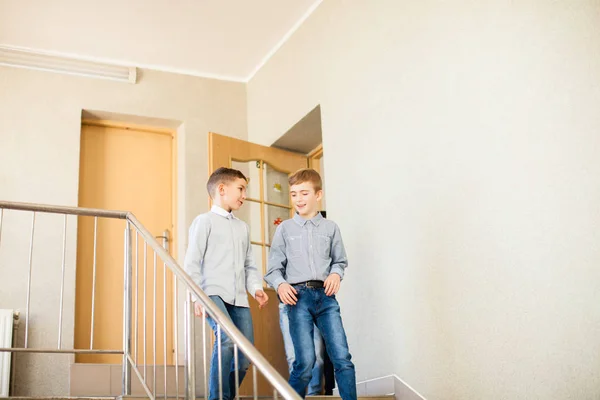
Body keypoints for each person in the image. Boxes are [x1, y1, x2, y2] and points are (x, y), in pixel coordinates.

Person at [264, 168, 356, 400]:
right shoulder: (284, 229)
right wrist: (281, 285)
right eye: (294, 194)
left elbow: (340, 261)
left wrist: (336, 274)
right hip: (298, 298)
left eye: (304, 193)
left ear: (318, 195)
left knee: (342, 358)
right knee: (304, 362)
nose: (298, 199)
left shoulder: (331, 228)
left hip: (326, 297)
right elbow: (274, 269)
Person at [184, 167, 269, 400]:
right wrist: (196, 296)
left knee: (245, 355)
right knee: (226, 339)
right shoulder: (204, 222)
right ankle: (217, 398)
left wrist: (256, 288)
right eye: (241, 189)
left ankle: (226, 396)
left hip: (239, 298)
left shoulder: (242, 228)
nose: (244, 195)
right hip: (212, 293)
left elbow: (250, 265)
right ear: (222, 189)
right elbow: (191, 263)